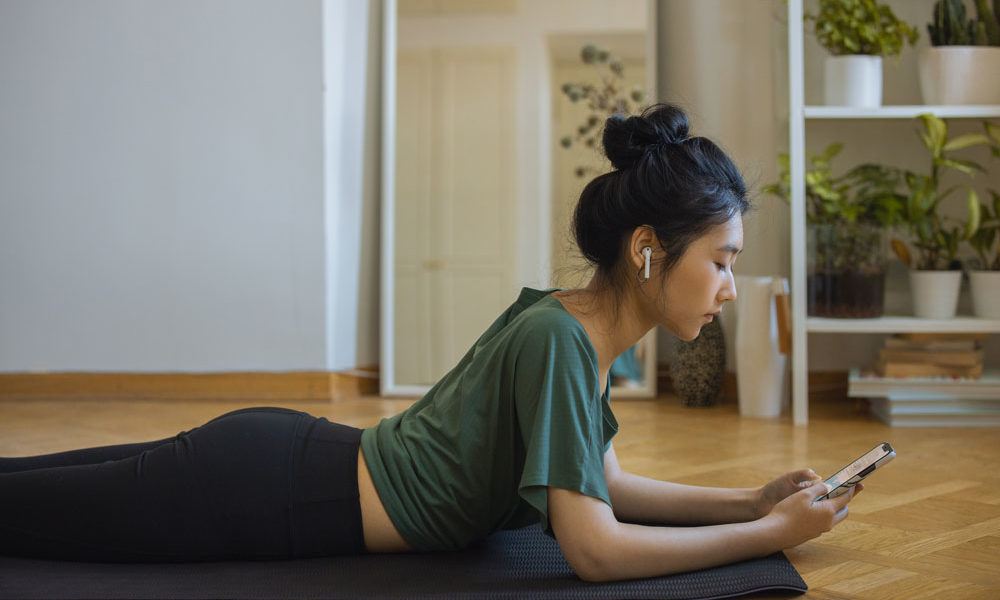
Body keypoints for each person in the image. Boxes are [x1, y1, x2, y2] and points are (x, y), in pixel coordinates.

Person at [0, 104, 859, 581]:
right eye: (721, 261)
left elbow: (604, 486)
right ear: (648, 249)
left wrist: (750, 503)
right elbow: (594, 548)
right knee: (29, 516)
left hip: (283, 467)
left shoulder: (579, 331)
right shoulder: (563, 341)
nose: (729, 288)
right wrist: (766, 536)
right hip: (267, 492)